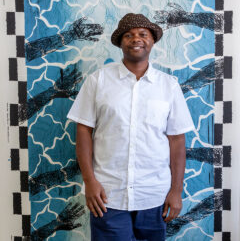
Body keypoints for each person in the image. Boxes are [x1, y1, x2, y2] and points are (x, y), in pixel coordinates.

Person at [67, 13, 195, 241]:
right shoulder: (98, 81)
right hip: (107, 195)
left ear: (152, 41)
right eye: (129, 35)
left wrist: (176, 191)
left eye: (143, 34)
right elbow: (84, 131)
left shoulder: (169, 86)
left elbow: (177, 141)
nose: (136, 39)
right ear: (120, 43)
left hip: (155, 194)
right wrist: (89, 181)